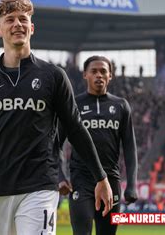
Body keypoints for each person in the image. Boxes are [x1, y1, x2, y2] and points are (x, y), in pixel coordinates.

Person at [0, 0, 113, 235]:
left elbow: (75, 128)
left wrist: (101, 177)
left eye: (22, 19)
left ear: (32, 28)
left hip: (40, 186)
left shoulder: (53, 76)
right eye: (9, 19)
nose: (17, 24)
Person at [58, 55, 138, 235]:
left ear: (110, 76)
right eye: (94, 71)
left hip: (111, 180)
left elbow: (130, 148)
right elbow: (56, 143)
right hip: (81, 180)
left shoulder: (121, 106)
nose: (99, 75)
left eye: (103, 71)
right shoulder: (73, 105)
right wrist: (61, 176)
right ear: (85, 74)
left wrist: (132, 184)